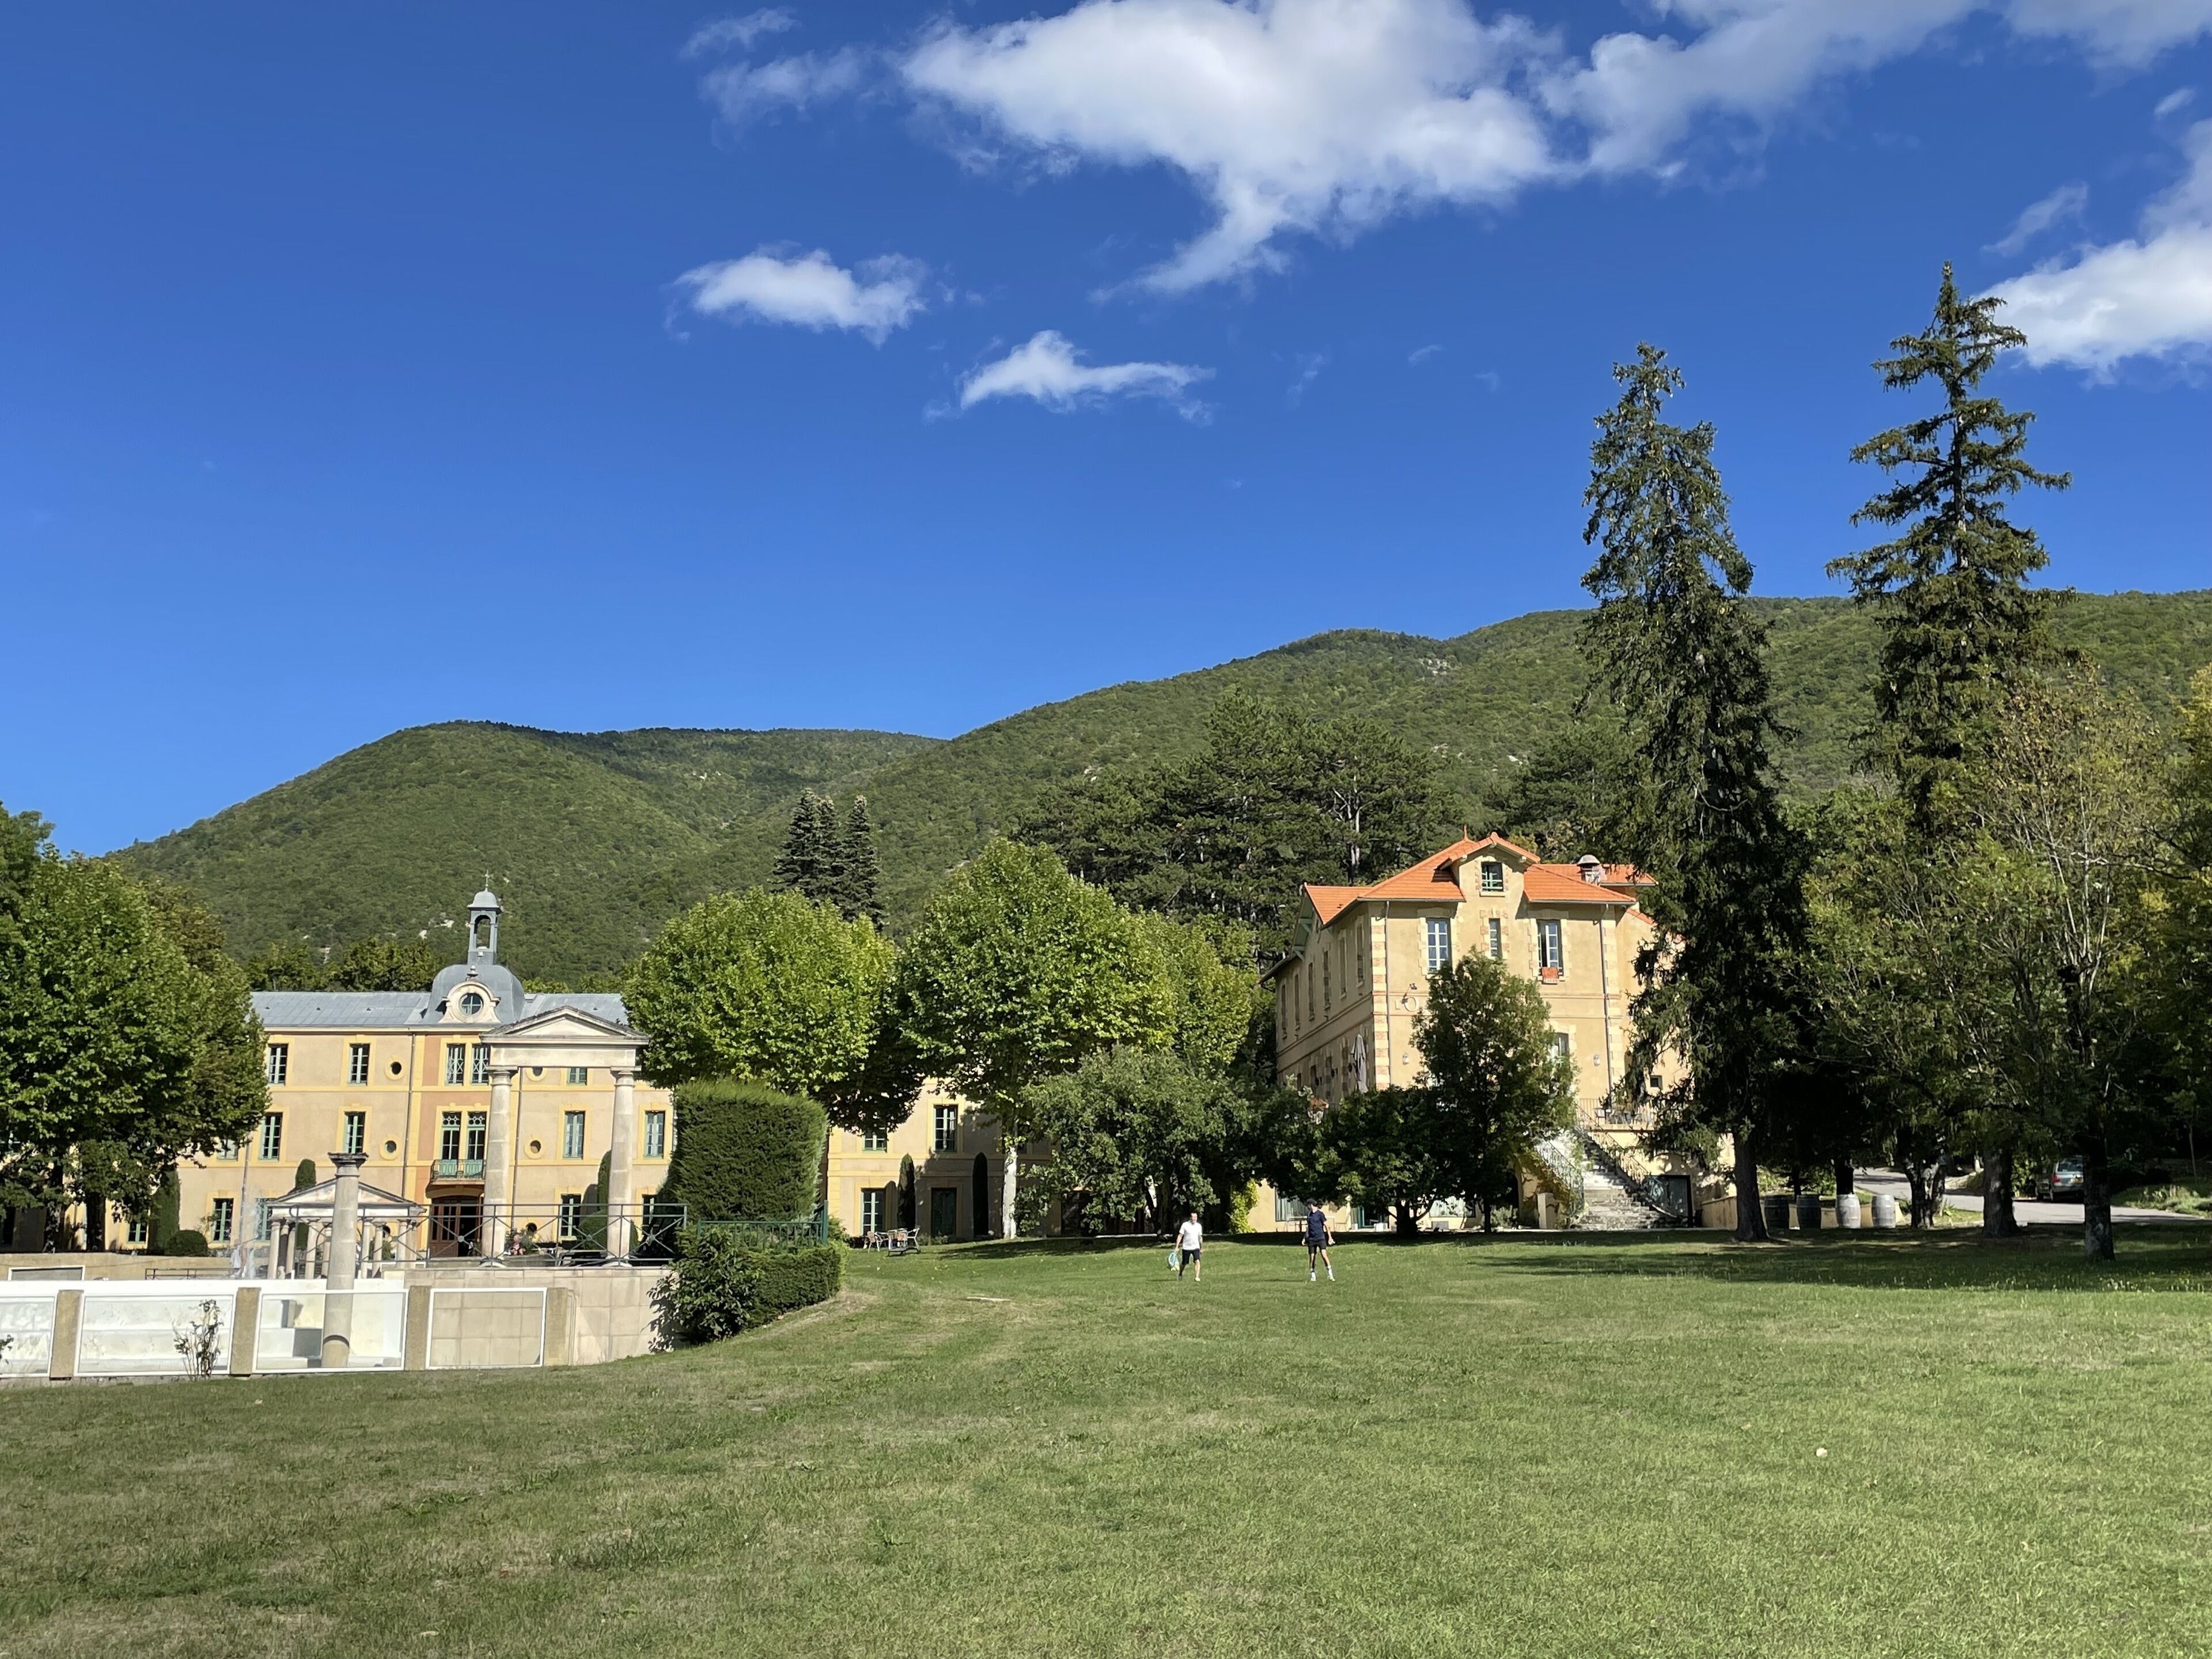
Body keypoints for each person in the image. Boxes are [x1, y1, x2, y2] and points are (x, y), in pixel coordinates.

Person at [1304, 1203, 1334, 1281]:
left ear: (1312, 1205)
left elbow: (1327, 1226)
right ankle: (1313, 1275)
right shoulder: (1309, 1215)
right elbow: (1308, 1227)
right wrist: (1305, 1238)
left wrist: (1330, 1237)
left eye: (1309, 1205)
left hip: (1320, 1238)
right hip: (1312, 1239)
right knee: (1312, 1257)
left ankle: (1330, 1274)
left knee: (1324, 1255)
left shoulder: (1320, 1214)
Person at [1175, 1211, 1205, 1281]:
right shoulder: (1185, 1225)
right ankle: (1180, 1273)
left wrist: (1201, 1248)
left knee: (1197, 1261)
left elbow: (1200, 1237)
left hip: (1196, 1247)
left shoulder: (1199, 1226)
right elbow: (1180, 1236)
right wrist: (1177, 1247)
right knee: (1184, 1263)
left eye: (1196, 1217)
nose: (1195, 1219)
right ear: (1190, 1218)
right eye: (1193, 1217)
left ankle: (1197, 1277)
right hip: (1186, 1247)